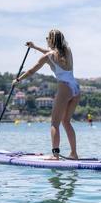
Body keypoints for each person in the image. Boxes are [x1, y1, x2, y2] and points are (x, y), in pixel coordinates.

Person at [12, 29, 80, 160]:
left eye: (47, 38)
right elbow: (52, 52)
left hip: (65, 88)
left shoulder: (48, 56)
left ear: (51, 40)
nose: (47, 40)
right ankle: (74, 154)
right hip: (76, 89)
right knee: (66, 121)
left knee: (55, 123)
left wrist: (18, 79)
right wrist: (35, 47)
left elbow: (32, 71)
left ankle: (55, 155)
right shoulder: (67, 51)